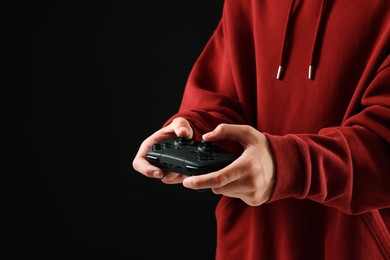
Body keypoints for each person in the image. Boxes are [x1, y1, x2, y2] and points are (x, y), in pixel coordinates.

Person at [133, 0, 390, 259]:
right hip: (252, 243)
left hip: (356, 246)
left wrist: (287, 165)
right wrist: (193, 131)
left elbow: (383, 143)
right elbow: (221, 96)